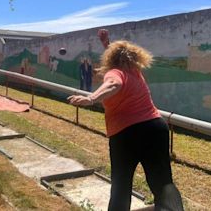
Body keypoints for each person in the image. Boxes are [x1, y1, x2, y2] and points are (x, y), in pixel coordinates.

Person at [67, 31, 184, 211]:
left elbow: (114, 84)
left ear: (110, 59)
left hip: (127, 134)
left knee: (121, 184)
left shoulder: (114, 72)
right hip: (155, 127)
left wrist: (91, 98)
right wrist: (108, 44)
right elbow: (120, 61)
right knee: (162, 181)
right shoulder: (134, 71)